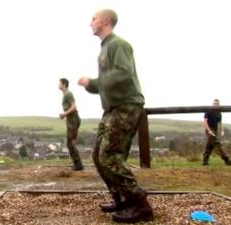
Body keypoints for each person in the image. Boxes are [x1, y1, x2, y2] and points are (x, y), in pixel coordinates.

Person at [78, 9, 153, 223]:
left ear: (105, 21)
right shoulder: (104, 49)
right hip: (112, 108)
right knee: (98, 156)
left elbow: (122, 73)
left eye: (93, 18)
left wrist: (92, 82)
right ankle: (121, 198)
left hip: (126, 106)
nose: (90, 22)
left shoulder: (118, 45)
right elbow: (105, 84)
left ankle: (141, 205)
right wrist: (90, 85)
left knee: (109, 156)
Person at [59, 78, 84, 171]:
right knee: (70, 142)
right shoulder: (65, 94)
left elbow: (74, 107)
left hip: (73, 119)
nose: (58, 85)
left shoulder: (68, 94)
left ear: (64, 84)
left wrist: (64, 114)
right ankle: (77, 164)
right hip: (71, 119)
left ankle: (78, 164)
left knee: (70, 143)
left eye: (60, 83)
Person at [203, 99, 231, 166]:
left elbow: (220, 123)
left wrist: (222, 130)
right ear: (212, 104)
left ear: (219, 104)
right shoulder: (208, 111)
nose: (215, 104)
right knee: (217, 144)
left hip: (215, 130)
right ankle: (227, 160)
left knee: (209, 146)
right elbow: (205, 121)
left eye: (217, 103)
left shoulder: (219, 113)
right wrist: (209, 130)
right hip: (210, 129)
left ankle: (205, 161)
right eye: (214, 103)